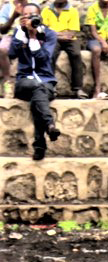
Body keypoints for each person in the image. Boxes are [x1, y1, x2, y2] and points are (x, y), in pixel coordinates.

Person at [9, 2, 60, 160]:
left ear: (40, 17)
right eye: (26, 16)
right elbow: (11, 53)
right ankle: (49, 125)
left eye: (33, 16)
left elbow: (44, 58)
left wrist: (33, 36)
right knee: (38, 89)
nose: (30, 19)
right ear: (22, 18)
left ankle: (40, 145)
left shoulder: (49, 34)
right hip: (24, 81)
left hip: (46, 81)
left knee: (38, 95)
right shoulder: (19, 33)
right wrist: (23, 33)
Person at [41, 0, 86, 99]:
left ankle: (78, 88)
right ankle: (50, 86)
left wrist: (54, 33)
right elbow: (44, 30)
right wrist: (59, 35)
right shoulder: (47, 10)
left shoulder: (72, 11)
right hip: (53, 39)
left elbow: (71, 33)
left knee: (76, 54)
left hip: (69, 39)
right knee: (51, 53)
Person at [0, 0, 26, 98]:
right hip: (11, 36)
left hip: (29, 34)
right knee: (1, 49)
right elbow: (2, 30)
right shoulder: (8, 7)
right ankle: (8, 83)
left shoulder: (33, 4)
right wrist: (14, 16)